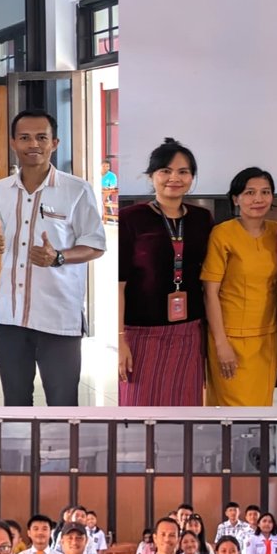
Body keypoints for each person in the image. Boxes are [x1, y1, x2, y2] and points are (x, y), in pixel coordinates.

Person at [0, 109, 107, 405]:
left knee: (63, 402)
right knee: (15, 401)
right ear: (13, 142)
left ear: (55, 143)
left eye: (42, 137)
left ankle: (63, 452)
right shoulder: (1, 189)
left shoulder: (76, 190)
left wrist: (59, 257)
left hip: (58, 318)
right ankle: (20, 452)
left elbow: (96, 244)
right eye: (25, 138)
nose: (33, 145)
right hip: (10, 317)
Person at [119, 138, 212, 405]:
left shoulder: (202, 219)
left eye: (183, 172)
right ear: (152, 176)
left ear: (192, 177)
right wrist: (120, 341)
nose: (175, 178)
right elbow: (119, 283)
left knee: (185, 405)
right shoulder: (131, 218)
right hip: (140, 332)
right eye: (166, 171)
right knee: (139, 405)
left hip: (188, 332)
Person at [203, 167, 277, 405]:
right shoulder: (222, 234)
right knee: (233, 410)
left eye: (265, 192)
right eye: (249, 192)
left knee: (262, 406)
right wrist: (221, 343)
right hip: (231, 339)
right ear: (236, 198)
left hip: (268, 338)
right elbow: (210, 293)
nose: (258, 199)